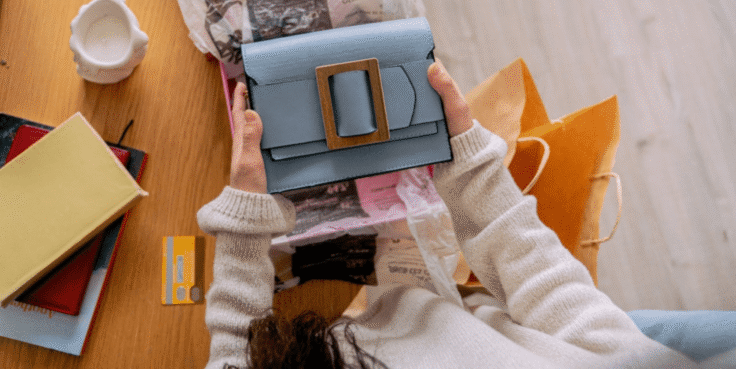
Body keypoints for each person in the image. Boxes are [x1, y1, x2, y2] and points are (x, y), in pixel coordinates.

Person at [197, 61, 697, 369]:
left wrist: (243, 226)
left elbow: (235, 355)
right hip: (452, 313)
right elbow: (552, 293)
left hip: (376, 319)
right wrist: (469, 166)